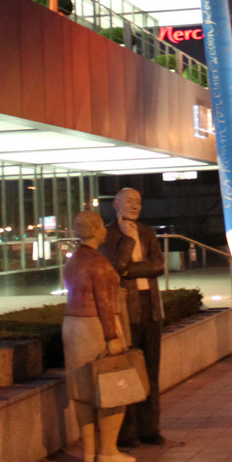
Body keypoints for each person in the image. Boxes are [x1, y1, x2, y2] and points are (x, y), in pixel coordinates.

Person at [61, 210, 136, 462]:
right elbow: (104, 303)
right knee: (110, 387)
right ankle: (108, 451)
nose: (106, 230)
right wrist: (113, 337)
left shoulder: (72, 261)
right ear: (95, 231)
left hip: (72, 325)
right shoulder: (99, 263)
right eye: (102, 227)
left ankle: (88, 452)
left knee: (83, 392)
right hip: (94, 326)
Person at [102, 187, 165, 447]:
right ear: (116, 204)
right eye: (129, 201)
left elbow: (158, 265)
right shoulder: (108, 234)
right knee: (127, 372)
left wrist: (129, 270)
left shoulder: (148, 233)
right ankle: (126, 433)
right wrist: (127, 243)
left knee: (151, 371)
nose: (135, 206)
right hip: (127, 311)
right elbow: (115, 268)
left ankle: (150, 428)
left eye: (138, 202)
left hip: (150, 309)